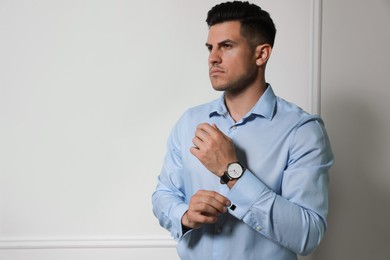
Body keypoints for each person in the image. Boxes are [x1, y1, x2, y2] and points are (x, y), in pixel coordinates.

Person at [152, 1, 334, 259]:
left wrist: (231, 172)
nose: (213, 57)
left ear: (261, 54)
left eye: (226, 46)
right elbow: (163, 195)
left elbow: (307, 235)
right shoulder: (189, 121)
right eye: (210, 48)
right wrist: (184, 215)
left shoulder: (302, 131)